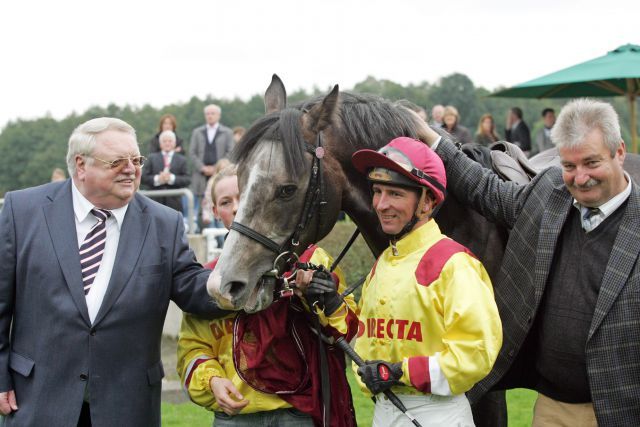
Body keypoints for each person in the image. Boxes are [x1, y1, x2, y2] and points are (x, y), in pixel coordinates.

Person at [424, 98, 640, 425]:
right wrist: (431, 139)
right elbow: (486, 189)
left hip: (620, 413)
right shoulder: (549, 196)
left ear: (619, 152)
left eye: (591, 163)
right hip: (552, 408)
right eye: (569, 166)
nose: (580, 179)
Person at [0, 117, 228, 426]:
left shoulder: (165, 223)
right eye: (117, 161)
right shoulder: (22, 211)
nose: (132, 169)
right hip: (38, 399)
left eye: (136, 160)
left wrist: (241, 278)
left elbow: (194, 289)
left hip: (126, 405)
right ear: (81, 165)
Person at [177, 165, 358, 426]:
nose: (238, 207)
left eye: (244, 196)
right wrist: (212, 381)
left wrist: (326, 300)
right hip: (234, 417)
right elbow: (192, 349)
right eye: (226, 202)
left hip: (298, 414)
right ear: (216, 213)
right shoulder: (208, 280)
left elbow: (348, 332)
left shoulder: (310, 259)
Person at [350, 136, 502, 426]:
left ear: (428, 201)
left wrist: (398, 372)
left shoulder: (455, 263)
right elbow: (367, 345)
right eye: (377, 191)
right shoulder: (382, 264)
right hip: (384, 411)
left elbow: (475, 353)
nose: (381, 205)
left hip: (437, 412)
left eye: (395, 194)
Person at [189, 104, 234, 231]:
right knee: (201, 210)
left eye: (213, 113)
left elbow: (231, 151)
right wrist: (202, 167)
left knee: (223, 203)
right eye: (208, 113)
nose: (210, 116)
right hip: (201, 176)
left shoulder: (227, 132)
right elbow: (192, 153)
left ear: (218, 115)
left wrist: (216, 168)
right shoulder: (197, 132)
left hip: (221, 175)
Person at [141, 130, 191, 212]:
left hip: (175, 204)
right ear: (160, 144)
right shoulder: (151, 158)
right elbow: (143, 178)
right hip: (154, 202)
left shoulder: (182, 159)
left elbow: (187, 179)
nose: (167, 143)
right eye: (164, 141)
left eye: (170, 141)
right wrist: (158, 179)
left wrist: (171, 178)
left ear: (174, 143)